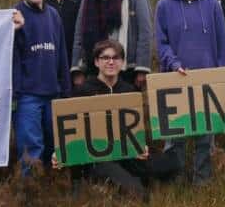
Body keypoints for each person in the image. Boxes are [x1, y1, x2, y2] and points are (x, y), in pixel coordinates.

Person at [60, 40, 179, 198]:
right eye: (105, 58)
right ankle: (102, 182)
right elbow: (72, 132)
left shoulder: (128, 90)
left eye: (116, 58)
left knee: (173, 163)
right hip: (100, 158)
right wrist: (62, 153)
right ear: (97, 62)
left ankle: (132, 177)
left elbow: (135, 128)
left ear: (122, 62)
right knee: (140, 194)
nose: (111, 62)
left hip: (127, 155)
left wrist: (140, 147)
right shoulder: (83, 92)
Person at [155, 0, 225, 184]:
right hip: (176, 79)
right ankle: (174, 181)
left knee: (205, 138)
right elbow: (162, 42)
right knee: (175, 136)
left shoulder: (212, 5)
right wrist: (174, 63)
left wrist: (221, 77)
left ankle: (202, 183)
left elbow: (221, 44)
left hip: (206, 81)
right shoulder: (164, 5)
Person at [12, 0, 69, 177]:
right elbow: (12, 59)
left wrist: (65, 89)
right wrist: (16, 93)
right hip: (28, 95)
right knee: (31, 147)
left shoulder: (53, 15)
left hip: (53, 93)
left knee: (55, 145)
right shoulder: (16, 16)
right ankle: (30, 193)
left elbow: (61, 53)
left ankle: (52, 192)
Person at [72, 0, 153, 85]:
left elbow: (145, 34)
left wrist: (142, 69)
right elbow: (80, 33)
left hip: (127, 69)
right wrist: (77, 68)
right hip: (96, 69)